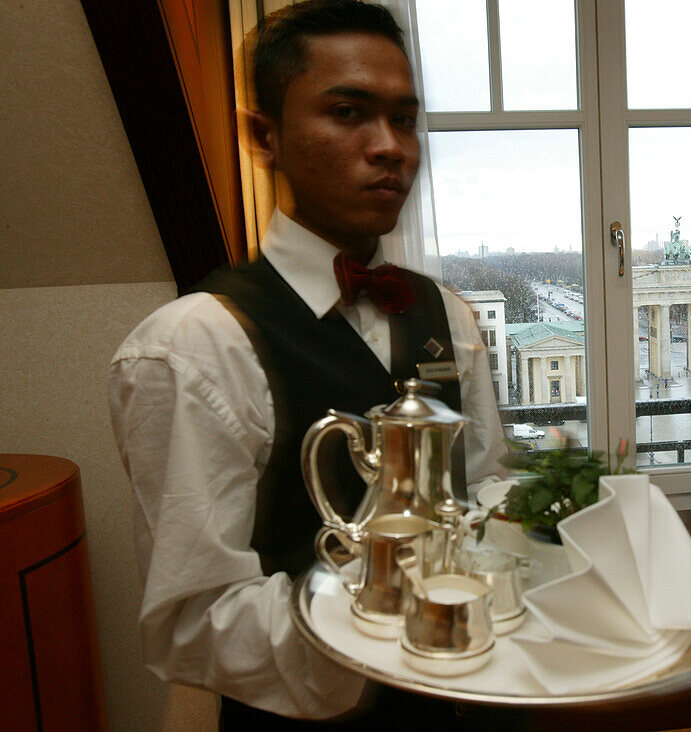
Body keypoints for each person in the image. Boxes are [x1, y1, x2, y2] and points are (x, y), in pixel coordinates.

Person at [108, 2, 514, 726]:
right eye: (349, 112)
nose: (390, 146)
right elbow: (198, 617)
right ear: (266, 136)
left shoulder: (449, 316)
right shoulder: (196, 346)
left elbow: (479, 486)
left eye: (404, 118)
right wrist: (390, 631)